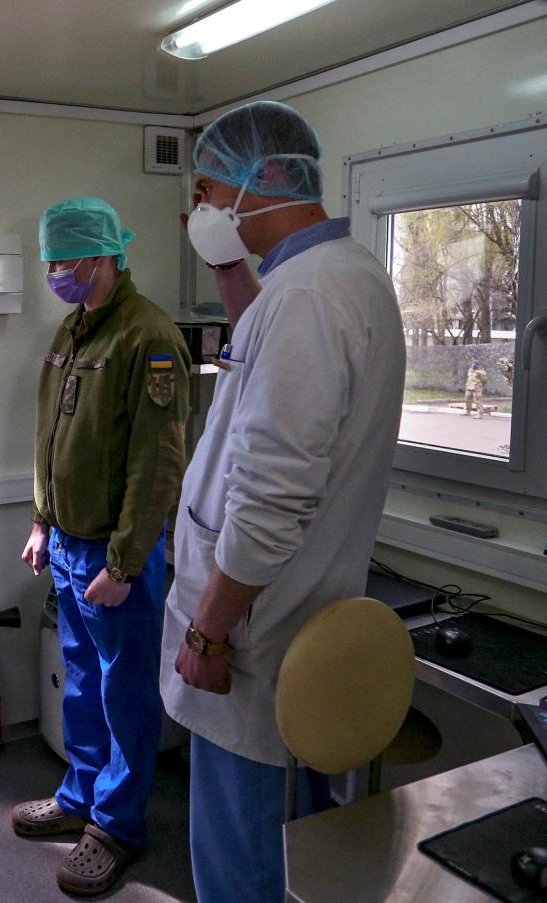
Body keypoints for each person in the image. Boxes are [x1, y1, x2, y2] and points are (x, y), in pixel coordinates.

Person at [160, 101, 406, 903]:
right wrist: (231, 268)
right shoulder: (337, 278)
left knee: (245, 863)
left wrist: (209, 628)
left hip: (253, 643)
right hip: (290, 620)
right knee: (287, 849)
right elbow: (264, 364)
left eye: (206, 191)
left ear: (262, 179)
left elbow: (269, 499)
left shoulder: (305, 299)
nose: (201, 211)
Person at [12, 197, 190, 896]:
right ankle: (80, 796)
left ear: (105, 257)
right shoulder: (74, 328)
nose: (55, 272)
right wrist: (40, 520)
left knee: (125, 690)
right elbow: (48, 440)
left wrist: (125, 560)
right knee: (82, 679)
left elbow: (158, 464)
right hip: (64, 541)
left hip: (117, 554)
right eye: (49, 260)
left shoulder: (147, 337)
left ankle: (116, 824)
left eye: (65, 260)